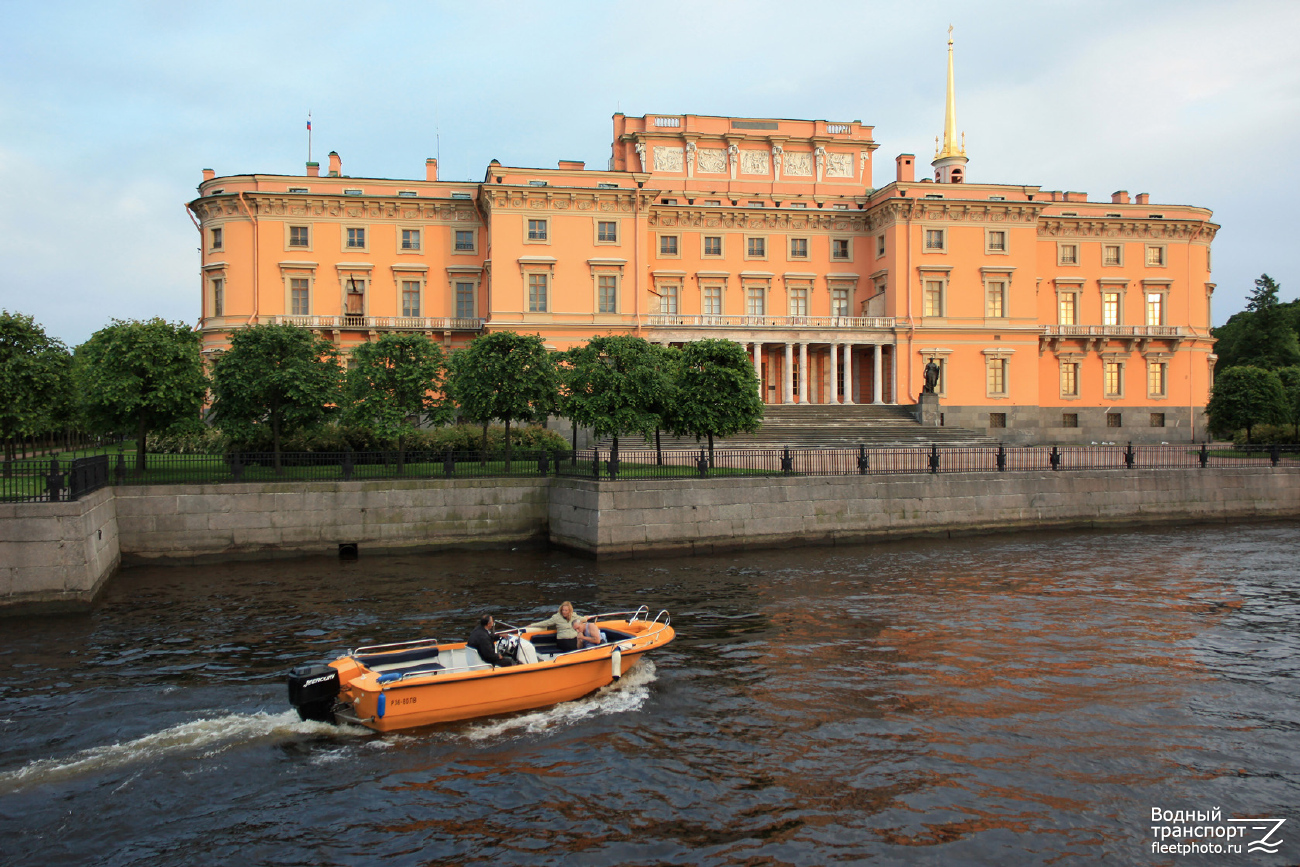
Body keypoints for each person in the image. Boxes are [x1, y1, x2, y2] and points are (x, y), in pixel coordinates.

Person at [527, 601, 602, 652]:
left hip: (573, 638)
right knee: (571, 648)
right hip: (563, 639)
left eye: (566, 610)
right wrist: (532, 625)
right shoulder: (556, 617)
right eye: (563, 610)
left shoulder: (574, 616)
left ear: (570, 611)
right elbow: (546, 623)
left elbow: (581, 619)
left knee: (580, 643)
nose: (564, 612)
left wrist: (586, 618)